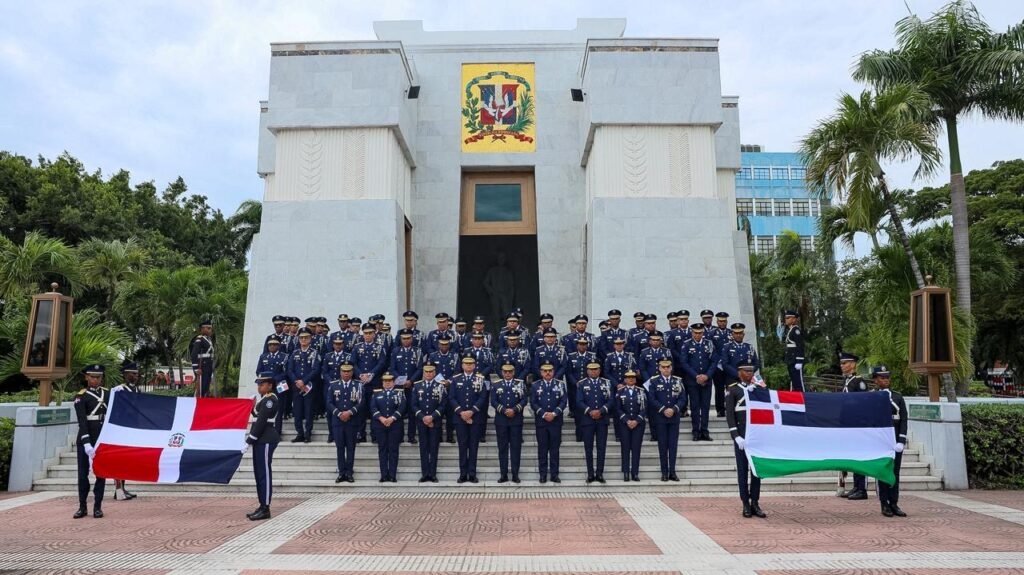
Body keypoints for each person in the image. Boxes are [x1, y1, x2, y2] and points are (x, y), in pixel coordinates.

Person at [726, 362, 766, 518]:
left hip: (756, 437)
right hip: (742, 437)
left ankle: (755, 502)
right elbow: (730, 416)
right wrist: (736, 436)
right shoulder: (733, 389)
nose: (749, 374)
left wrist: (760, 388)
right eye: (746, 371)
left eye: (751, 371)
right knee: (742, 471)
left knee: (756, 471)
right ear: (739, 373)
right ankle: (745, 503)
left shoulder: (757, 389)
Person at [872, 365, 908, 518]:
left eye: (887, 377)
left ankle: (894, 502)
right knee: (882, 472)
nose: (885, 380)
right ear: (875, 380)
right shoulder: (871, 397)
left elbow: (904, 420)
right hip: (881, 440)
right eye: (882, 378)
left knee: (895, 473)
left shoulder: (898, 397)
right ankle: (884, 503)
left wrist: (901, 440)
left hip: (895, 440)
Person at [73, 364, 108, 519]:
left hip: (101, 438)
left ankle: (98, 506)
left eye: (98, 377)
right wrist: (86, 442)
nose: (95, 380)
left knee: (101, 474)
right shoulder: (81, 396)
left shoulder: (107, 394)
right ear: (86, 377)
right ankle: (82, 506)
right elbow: (82, 421)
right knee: (82, 475)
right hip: (86, 439)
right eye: (92, 377)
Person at [246, 372, 280, 521]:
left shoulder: (270, 400)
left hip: (266, 438)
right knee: (259, 473)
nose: (259, 386)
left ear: (270, 385)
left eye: (262, 384)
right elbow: (257, 415)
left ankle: (265, 507)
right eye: (258, 384)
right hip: (261, 439)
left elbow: (261, 422)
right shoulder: (265, 400)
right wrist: (252, 408)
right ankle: (262, 505)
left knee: (264, 474)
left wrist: (250, 439)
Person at [450, 357, 488, 483]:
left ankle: (472, 473)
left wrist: (472, 411)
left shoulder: (480, 379)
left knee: (473, 446)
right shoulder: (456, 379)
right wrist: (461, 412)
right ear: (462, 365)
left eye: (471, 364)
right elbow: (452, 398)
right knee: (462, 446)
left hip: (475, 417)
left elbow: (483, 397)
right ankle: (462, 474)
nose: (468, 366)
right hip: (460, 418)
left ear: (475, 365)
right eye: (466, 363)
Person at [648, 359, 687, 482]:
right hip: (661, 417)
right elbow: (651, 398)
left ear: (671, 368)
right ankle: (664, 472)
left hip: (674, 417)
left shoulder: (677, 380)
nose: (665, 369)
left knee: (673, 446)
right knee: (663, 446)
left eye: (668, 367)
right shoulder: (654, 381)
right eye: (663, 367)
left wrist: (674, 409)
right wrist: (664, 409)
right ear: (659, 368)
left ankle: (672, 472)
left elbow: (682, 398)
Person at [576, 362, 613, 483]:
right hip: (588, 420)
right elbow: (579, 401)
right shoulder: (582, 384)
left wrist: (601, 411)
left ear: (599, 370)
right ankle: (590, 474)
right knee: (588, 448)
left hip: (602, 420)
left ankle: (600, 473)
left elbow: (611, 400)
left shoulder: (606, 383)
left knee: (601, 448)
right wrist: (590, 411)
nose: (593, 371)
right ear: (587, 371)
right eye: (591, 369)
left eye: (596, 369)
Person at [679, 324, 717, 442]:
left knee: (705, 407)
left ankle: (705, 431)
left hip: (706, 381)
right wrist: (696, 376)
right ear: (692, 332)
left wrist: (706, 376)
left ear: (703, 333)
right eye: (695, 333)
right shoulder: (686, 344)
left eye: (700, 333)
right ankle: (696, 431)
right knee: (695, 407)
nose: (697, 335)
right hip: (692, 381)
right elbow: (684, 363)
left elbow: (714, 361)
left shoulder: (709, 344)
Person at [839, 351, 869, 500]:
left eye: (844, 363)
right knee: (852, 456)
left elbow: (863, 403)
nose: (842, 366)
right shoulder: (847, 381)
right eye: (841, 363)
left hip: (858, 425)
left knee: (859, 456)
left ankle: (862, 488)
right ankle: (856, 486)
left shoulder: (859, 382)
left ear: (852, 364)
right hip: (848, 425)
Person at [491, 362, 527, 483]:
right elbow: (493, 401)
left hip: (516, 420)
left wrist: (515, 410)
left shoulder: (520, 384)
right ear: (502, 372)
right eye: (505, 372)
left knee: (516, 448)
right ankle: (503, 474)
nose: (507, 374)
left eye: (510, 372)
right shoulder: (496, 385)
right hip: (501, 420)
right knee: (502, 448)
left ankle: (515, 474)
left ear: (514, 372)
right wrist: (504, 410)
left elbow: (524, 400)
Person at [531, 362, 567, 483]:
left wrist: (554, 413)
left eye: (550, 371)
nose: (547, 373)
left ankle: (554, 474)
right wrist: (544, 414)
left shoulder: (560, 385)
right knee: (542, 449)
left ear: (553, 372)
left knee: (554, 449)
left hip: (555, 421)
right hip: (542, 422)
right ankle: (543, 474)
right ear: (541, 372)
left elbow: (563, 401)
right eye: (545, 371)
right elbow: (533, 402)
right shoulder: (535, 385)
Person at [411, 363, 446, 483]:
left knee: (434, 448)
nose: (429, 374)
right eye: (427, 372)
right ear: (423, 373)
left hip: (435, 421)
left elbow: (443, 405)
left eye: (431, 372)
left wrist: (432, 416)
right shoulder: (417, 386)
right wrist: (423, 417)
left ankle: (433, 474)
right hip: (421, 421)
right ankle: (425, 473)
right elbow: (414, 405)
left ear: (435, 373)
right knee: (423, 448)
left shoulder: (440, 386)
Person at [110, 361, 141, 501]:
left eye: (136, 374)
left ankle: (123, 487)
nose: (135, 376)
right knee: (118, 460)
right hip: (120, 429)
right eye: (132, 374)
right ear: (125, 375)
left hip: (132, 429)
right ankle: (118, 489)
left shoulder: (137, 390)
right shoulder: (118, 390)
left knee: (126, 460)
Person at [352, 323, 387, 443]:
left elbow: (382, 363)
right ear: (362, 334)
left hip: (374, 382)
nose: (368, 335)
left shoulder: (380, 347)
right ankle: (360, 434)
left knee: (375, 409)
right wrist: (360, 374)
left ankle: (375, 434)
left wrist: (371, 374)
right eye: (366, 333)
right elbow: (353, 363)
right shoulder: (357, 347)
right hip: (360, 382)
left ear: (374, 334)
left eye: (370, 333)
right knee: (360, 409)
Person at [286, 327, 321, 443]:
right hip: (296, 387)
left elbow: (316, 370)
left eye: (306, 337)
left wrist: (304, 381)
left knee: (308, 411)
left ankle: (307, 434)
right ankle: (299, 433)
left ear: (310, 339)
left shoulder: (315, 353)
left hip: (309, 387)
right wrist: (296, 381)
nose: (304, 339)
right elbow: (289, 369)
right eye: (301, 337)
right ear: (298, 339)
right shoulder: (294, 353)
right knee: (297, 411)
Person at [328, 363, 361, 483]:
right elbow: (329, 402)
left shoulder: (358, 385)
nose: (346, 373)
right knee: (340, 448)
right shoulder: (333, 385)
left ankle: (349, 472)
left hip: (352, 421)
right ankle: (341, 473)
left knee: (351, 448)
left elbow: (361, 402)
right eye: (344, 371)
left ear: (352, 372)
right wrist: (339, 413)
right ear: (340, 372)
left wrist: (350, 412)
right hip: (338, 421)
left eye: (348, 371)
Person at [390, 329, 424, 444]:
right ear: (400, 339)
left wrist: (411, 380)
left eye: (408, 338)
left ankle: (411, 436)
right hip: (399, 386)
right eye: (404, 338)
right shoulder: (396, 351)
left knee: (412, 412)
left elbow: (420, 368)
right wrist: (400, 380)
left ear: (412, 338)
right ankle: (399, 436)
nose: (406, 340)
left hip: (412, 386)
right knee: (399, 411)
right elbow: (392, 368)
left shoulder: (418, 351)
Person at [370, 373, 405, 482]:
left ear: (394, 382)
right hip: (380, 425)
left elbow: (402, 407)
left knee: (393, 450)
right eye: (385, 381)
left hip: (395, 425)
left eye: (390, 381)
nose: (387, 383)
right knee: (383, 449)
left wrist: (392, 418)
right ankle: (384, 474)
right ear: (382, 382)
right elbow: (373, 407)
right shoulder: (377, 393)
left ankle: (392, 475)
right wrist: (381, 418)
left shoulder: (399, 393)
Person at [320, 335, 352, 444]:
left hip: (342, 386)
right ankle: (331, 433)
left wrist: (338, 382)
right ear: (333, 345)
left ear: (343, 345)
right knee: (330, 411)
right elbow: (324, 371)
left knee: (341, 408)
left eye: (340, 344)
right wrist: (331, 382)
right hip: (329, 386)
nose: (338, 346)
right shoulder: (328, 356)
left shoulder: (348, 356)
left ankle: (341, 434)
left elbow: (348, 371)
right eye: (336, 344)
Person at [617, 370, 646, 481]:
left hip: (638, 424)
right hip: (625, 424)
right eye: (628, 377)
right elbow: (618, 408)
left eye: (633, 377)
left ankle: (635, 472)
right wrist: (627, 420)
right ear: (624, 379)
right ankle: (625, 472)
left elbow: (644, 408)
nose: (631, 379)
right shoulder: (620, 391)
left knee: (636, 448)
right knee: (625, 448)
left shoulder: (641, 391)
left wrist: (637, 420)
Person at [257, 336, 290, 433]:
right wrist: (266, 380)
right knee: (265, 409)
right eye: (270, 344)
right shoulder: (263, 356)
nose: (272, 346)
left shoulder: (284, 356)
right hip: (266, 387)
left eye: (274, 344)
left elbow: (286, 372)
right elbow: (258, 371)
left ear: (279, 345)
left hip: (279, 386)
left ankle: (277, 432)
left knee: (278, 410)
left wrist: (274, 379)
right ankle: (263, 431)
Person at [709, 312, 733, 417]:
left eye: (724, 321)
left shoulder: (731, 333)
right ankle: (720, 409)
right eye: (720, 321)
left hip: (729, 366)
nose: (722, 323)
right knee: (719, 389)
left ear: (726, 322)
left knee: (730, 388)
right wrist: (718, 360)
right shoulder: (712, 333)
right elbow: (710, 349)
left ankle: (730, 408)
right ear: (717, 322)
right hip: (718, 366)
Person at [189, 319, 215, 397]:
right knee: (200, 388)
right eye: (209, 328)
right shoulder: (199, 339)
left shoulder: (208, 340)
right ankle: (196, 403)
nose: (210, 330)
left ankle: (202, 403)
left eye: (211, 328)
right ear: (203, 329)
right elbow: (194, 354)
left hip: (208, 366)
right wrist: (196, 368)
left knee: (206, 387)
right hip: (202, 366)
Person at [782, 310, 806, 392]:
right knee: (794, 382)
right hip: (791, 360)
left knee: (799, 383)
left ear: (794, 319)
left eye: (788, 318)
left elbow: (800, 346)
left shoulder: (796, 330)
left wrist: (799, 361)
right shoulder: (790, 330)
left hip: (796, 360)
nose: (786, 319)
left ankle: (803, 400)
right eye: (785, 318)